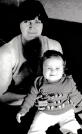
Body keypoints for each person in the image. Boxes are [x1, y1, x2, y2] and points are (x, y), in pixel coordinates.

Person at [0, 0, 62, 133]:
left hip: (49, 105)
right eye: (27, 21)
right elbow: (2, 96)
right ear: (19, 24)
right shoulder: (6, 52)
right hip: (19, 106)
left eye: (37, 22)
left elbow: (61, 84)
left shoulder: (54, 46)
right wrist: (31, 100)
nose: (32, 27)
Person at [16, 50, 82, 134]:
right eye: (48, 68)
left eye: (57, 68)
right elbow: (30, 98)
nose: (53, 71)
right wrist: (22, 111)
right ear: (42, 69)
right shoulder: (39, 82)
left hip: (65, 112)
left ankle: (71, 131)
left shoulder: (68, 82)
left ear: (63, 68)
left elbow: (76, 96)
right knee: (35, 129)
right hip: (45, 113)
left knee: (72, 127)